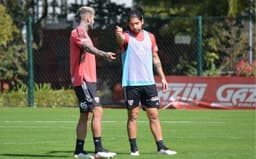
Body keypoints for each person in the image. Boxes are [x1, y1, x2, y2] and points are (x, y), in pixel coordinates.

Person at [115, 9, 177, 156]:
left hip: (148, 83)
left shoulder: (150, 37)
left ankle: (161, 147)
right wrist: (118, 35)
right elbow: (120, 41)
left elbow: (155, 58)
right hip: (131, 83)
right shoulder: (126, 37)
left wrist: (162, 77)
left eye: (137, 23)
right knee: (133, 116)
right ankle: (134, 149)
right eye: (131, 24)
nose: (134, 27)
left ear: (142, 21)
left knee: (154, 115)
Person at [70, 6, 117, 159]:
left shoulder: (85, 34)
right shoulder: (77, 32)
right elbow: (87, 48)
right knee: (97, 111)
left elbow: (88, 47)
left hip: (88, 81)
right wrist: (104, 54)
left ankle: (80, 151)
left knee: (86, 114)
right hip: (82, 79)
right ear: (89, 18)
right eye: (93, 19)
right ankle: (98, 150)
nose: (94, 21)